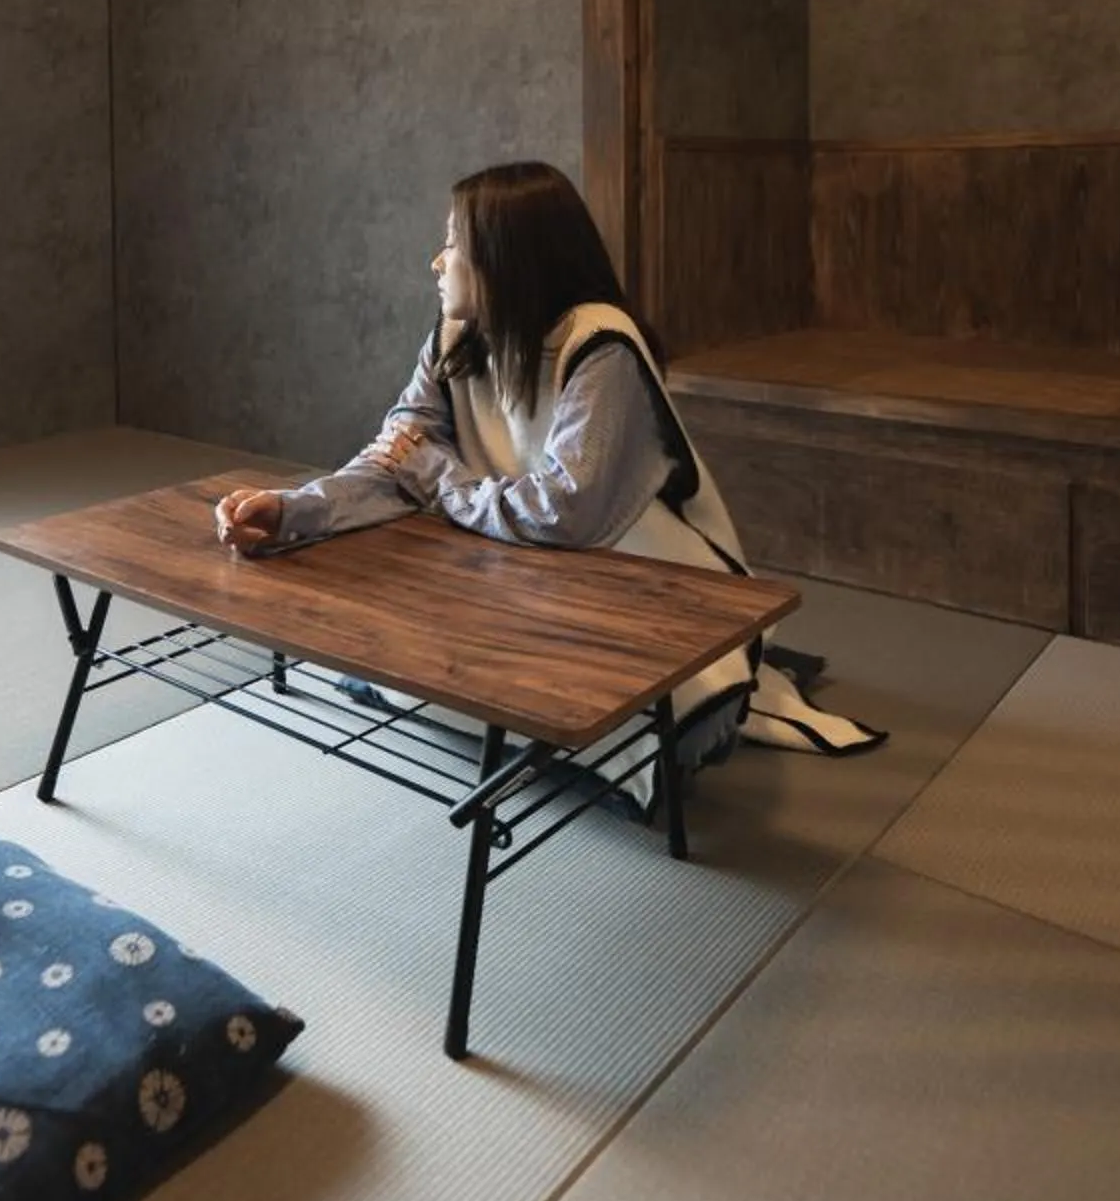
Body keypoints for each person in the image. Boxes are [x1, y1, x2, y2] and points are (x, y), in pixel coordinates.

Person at [212, 160, 878, 815]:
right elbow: (395, 456)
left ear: (508, 256)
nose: (437, 262)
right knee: (376, 632)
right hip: (512, 552)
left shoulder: (601, 346)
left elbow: (565, 513)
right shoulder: (453, 336)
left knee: (641, 719)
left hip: (631, 570)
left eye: (453, 243)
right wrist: (295, 511)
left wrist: (441, 476)